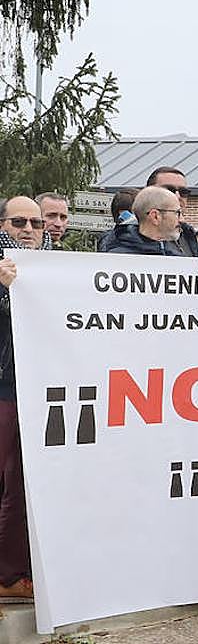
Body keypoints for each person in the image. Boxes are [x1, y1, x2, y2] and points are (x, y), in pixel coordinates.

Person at [0, 197, 44, 600]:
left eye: (36, 222)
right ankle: (9, 575)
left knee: (29, 483)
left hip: (41, 389)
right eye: (19, 222)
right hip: (7, 389)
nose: (28, 229)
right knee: (11, 482)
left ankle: (21, 570)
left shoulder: (52, 268)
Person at [104, 187, 198, 264]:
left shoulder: (183, 251)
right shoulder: (117, 260)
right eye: (177, 213)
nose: (181, 220)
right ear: (155, 216)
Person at [144, 166, 198, 258]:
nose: (177, 196)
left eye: (183, 192)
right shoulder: (131, 233)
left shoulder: (187, 235)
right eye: (168, 190)